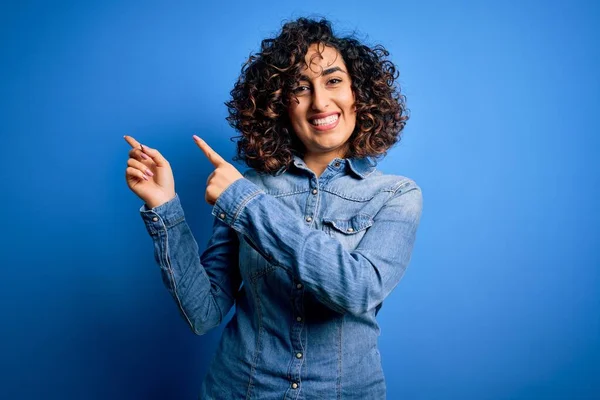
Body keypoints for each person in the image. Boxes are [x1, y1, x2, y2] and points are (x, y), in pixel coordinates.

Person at [124, 17, 423, 400]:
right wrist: (164, 207)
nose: (319, 101)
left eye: (333, 81)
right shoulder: (250, 185)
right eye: (300, 87)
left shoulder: (396, 194)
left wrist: (243, 204)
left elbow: (357, 289)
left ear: (359, 94)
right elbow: (204, 313)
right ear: (279, 104)